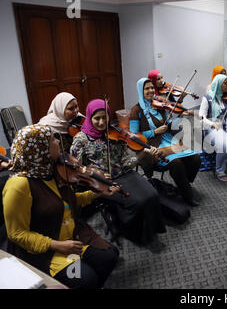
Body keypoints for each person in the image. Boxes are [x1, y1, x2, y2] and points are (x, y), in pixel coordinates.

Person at [3, 124, 120, 288]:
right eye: (52, 139)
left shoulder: (52, 170)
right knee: (85, 278)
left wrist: (97, 193)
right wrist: (57, 245)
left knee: (109, 256)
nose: (58, 142)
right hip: (47, 249)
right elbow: (16, 234)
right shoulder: (18, 185)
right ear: (40, 148)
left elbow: (66, 202)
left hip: (72, 235)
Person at [70, 99, 166, 246]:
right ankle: (131, 231)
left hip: (124, 172)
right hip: (103, 180)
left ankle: (150, 230)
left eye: (105, 117)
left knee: (152, 194)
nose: (102, 122)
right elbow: (75, 167)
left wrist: (141, 154)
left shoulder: (115, 133)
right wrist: (94, 172)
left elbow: (125, 159)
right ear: (89, 117)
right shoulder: (81, 139)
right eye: (97, 118)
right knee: (136, 202)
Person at [130, 78, 201, 207]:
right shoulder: (136, 110)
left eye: (152, 87)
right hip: (152, 145)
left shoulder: (159, 105)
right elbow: (134, 136)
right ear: (141, 90)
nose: (151, 90)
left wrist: (180, 116)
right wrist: (154, 132)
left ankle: (184, 183)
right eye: (147, 88)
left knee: (196, 158)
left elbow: (169, 125)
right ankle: (187, 195)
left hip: (167, 139)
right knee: (176, 163)